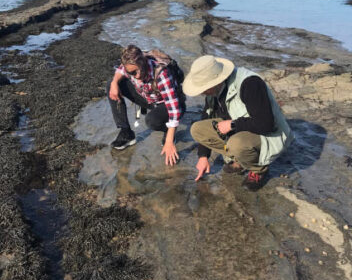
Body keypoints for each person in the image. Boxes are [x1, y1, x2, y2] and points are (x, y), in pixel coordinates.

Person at [183, 55, 293, 190]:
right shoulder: (213, 92)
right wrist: (203, 156)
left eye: (204, 89)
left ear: (216, 82)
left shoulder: (250, 83)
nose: (202, 93)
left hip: (269, 134)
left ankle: (259, 169)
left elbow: (266, 124)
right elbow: (206, 118)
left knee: (236, 144)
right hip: (242, 129)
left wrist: (232, 124)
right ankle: (240, 158)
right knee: (197, 129)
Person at [107, 44, 185, 166]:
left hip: (170, 104)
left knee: (151, 121)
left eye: (138, 70)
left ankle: (168, 131)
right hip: (149, 99)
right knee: (111, 85)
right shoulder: (129, 67)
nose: (136, 76)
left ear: (143, 62)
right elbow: (120, 70)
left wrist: (169, 141)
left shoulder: (161, 73)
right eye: (132, 73)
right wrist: (114, 82)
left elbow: (174, 110)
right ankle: (126, 132)